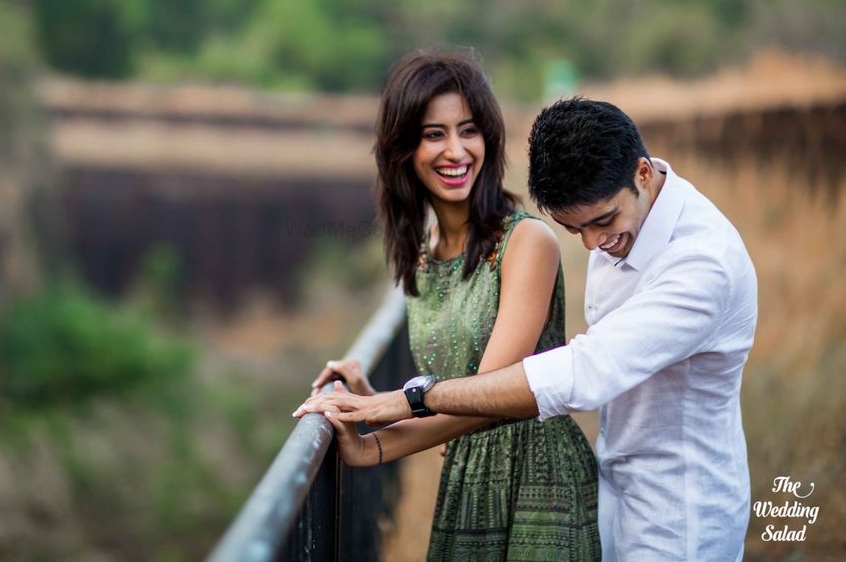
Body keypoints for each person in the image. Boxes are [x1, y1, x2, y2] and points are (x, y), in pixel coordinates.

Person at [298, 97, 758, 561]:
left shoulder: (703, 264)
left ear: (642, 173)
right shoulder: (623, 219)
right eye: (573, 228)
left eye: (603, 221)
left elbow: (583, 372)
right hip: (611, 491)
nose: (595, 242)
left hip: (681, 518)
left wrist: (412, 398)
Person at [298, 52, 600, 560]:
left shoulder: (526, 242)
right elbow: (453, 391)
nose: (456, 151)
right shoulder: (421, 255)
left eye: (469, 130)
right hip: (465, 483)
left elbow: (487, 397)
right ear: (404, 149)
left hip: (538, 488)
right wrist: (369, 397)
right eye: (434, 134)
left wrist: (376, 440)